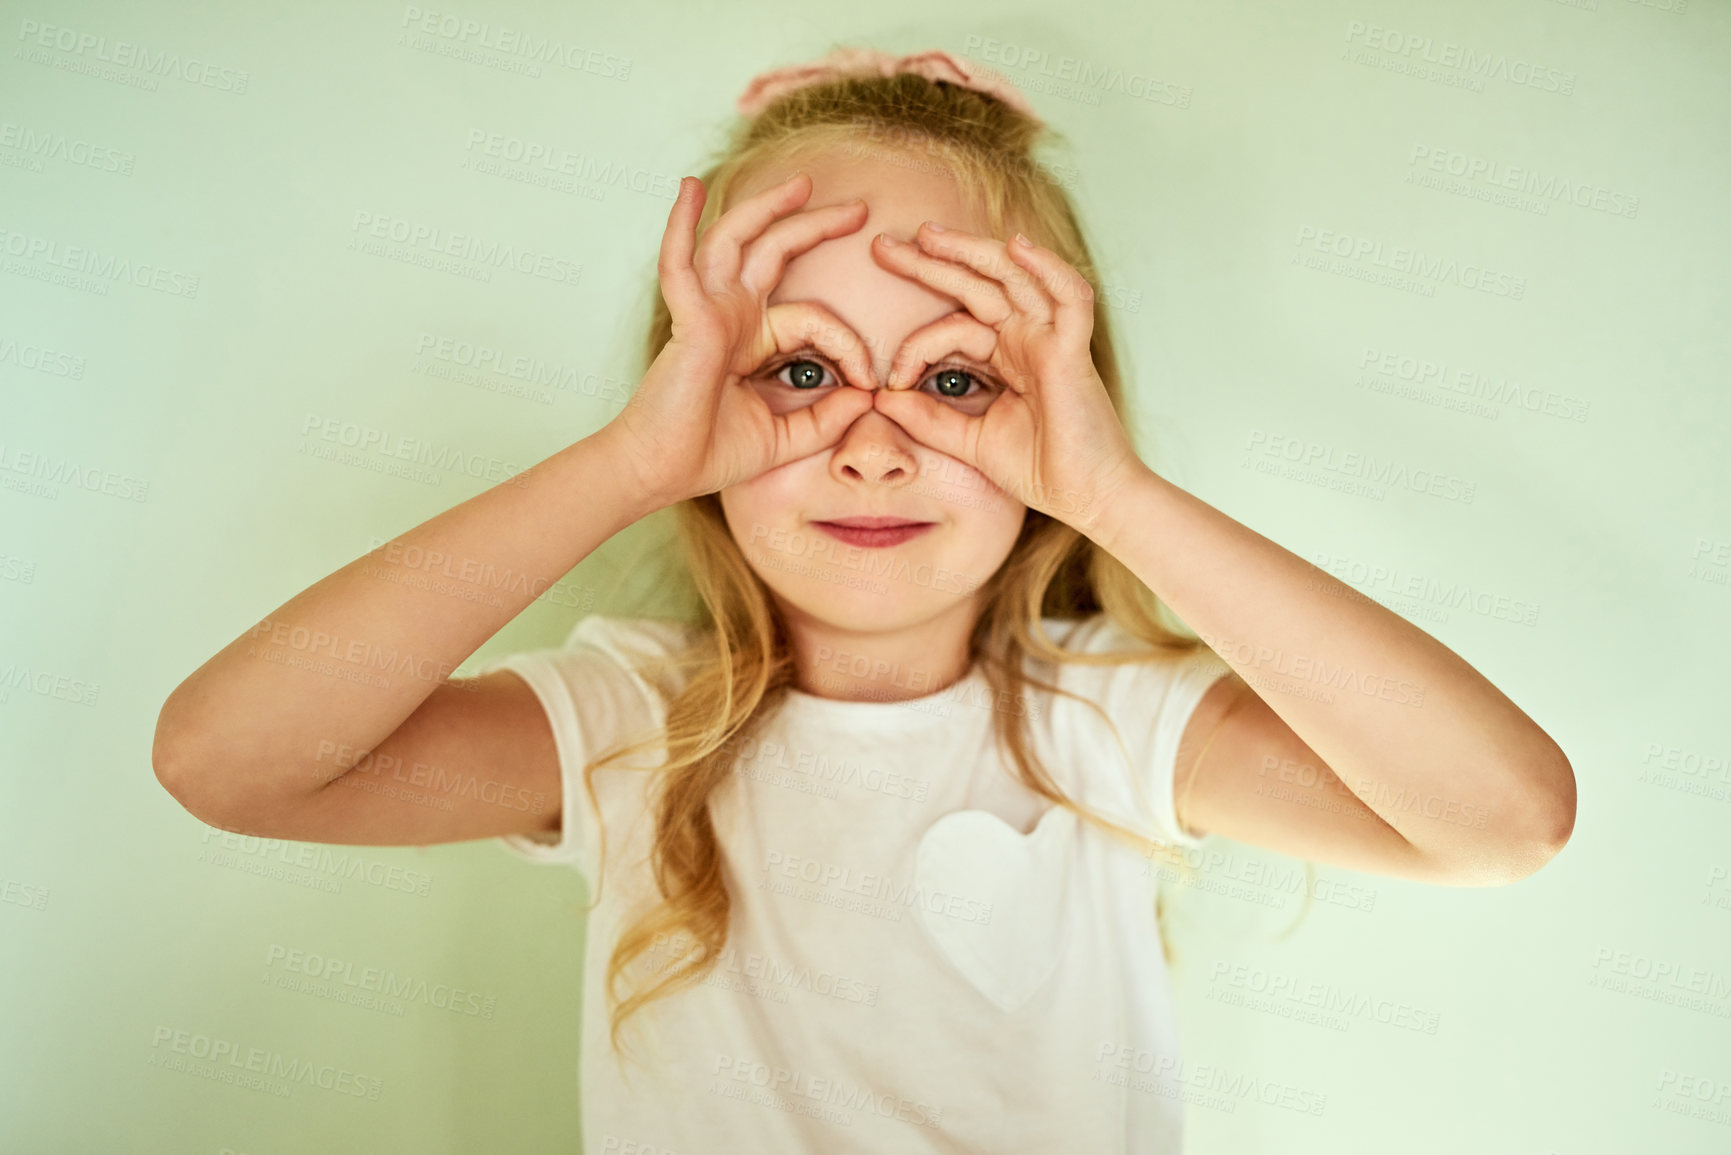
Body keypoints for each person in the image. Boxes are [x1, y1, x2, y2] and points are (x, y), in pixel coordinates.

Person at [152, 44, 1577, 1155]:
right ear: (698, 395)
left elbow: (1505, 819)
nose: (878, 439)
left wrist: (1118, 496)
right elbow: (227, 761)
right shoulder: (628, 721)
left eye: (958, 378)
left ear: (1058, 416)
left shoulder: (1112, 725)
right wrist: (625, 465)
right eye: (802, 370)